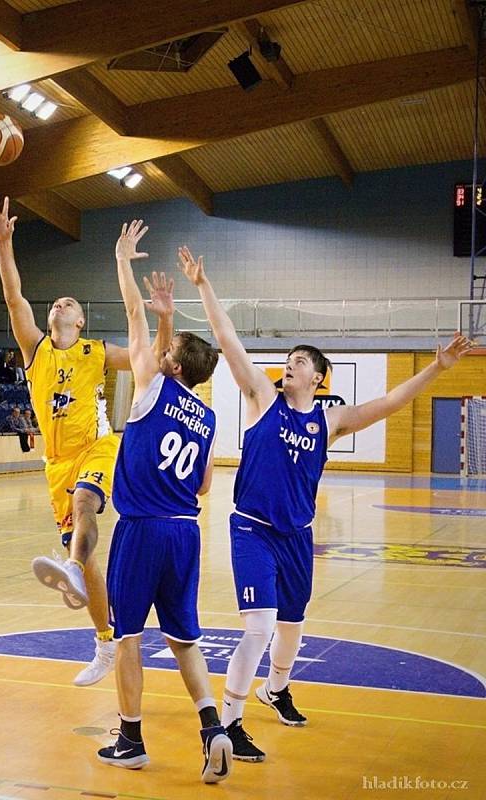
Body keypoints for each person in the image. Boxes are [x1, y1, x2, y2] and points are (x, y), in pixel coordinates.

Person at [176, 245, 476, 762]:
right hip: (251, 530)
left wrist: (437, 369)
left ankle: (277, 687)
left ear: (317, 377)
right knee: (261, 626)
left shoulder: (327, 421)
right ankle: (230, 721)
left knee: (292, 628)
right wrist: (203, 286)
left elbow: (390, 404)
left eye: (297, 363)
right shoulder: (261, 400)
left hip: (298, 536)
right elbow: (228, 339)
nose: (287, 367)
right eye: (287, 362)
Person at [0, 195, 173, 687]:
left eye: (71, 302)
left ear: (81, 321)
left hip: (98, 446)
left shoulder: (95, 351)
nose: (61, 303)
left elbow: (151, 356)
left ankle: (68, 565)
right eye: (56, 303)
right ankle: (104, 642)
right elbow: (12, 296)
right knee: (88, 565)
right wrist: (5, 243)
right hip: (56, 463)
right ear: (49, 323)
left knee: (86, 504)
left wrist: (165, 318)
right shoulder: (35, 349)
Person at [96, 220, 231, 783]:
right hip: (186, 531)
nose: (157, 347)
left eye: (166, 347)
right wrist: (170, 318)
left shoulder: (151, 385)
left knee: (127, 636)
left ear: (171, 365)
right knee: (184, 639)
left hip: (143, 529)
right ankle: (213, 729)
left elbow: (131, 318)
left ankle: (130, 738)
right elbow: (202, 486)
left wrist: (122, 259)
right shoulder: (207, 414)